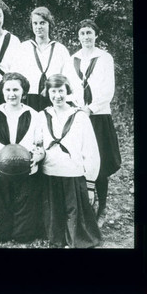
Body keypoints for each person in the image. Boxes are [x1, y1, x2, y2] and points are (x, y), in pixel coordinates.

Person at [64, 19, 122, 227]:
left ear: (96, 35)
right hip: (79, 115)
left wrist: (91, 108)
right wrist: (77, 107)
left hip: (98, 115)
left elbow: (108, 90)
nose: (86, 37)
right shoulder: (73, 59)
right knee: (81, 159)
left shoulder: (105, 58)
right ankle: (85, 205)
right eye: (82, 33)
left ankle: (103, 207)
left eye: (89, 33)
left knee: (101, 161)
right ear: (78, 37)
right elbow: (68, 88)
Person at [0, 72, 45, 242]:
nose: (12, 94)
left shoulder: (34, 115)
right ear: (2, 92)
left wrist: (36, 158)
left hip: (27, 170)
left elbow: (41, 147)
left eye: (16, 89)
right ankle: (2, 230)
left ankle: (23, 232)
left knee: (25, 233)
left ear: (24, 92)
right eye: (7, 89)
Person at [39, 74, 101, 248]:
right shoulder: (42, 116)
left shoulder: (80, 117)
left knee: (73, 212)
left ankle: (74, 239)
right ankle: (56, 237)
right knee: (54, 212)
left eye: (61, 91)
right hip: (50, 173)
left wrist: (90, 183)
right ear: (47, 93)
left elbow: (90, 151)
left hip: (73, 174)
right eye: (53, 91)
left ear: (68, 92)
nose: (57, 95)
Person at [13, 7, 71, 111]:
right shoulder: (23, 48)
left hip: (54, 98)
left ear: (49, 24)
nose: (38, 27)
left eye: (42, 23)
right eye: (35, 23)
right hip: (30, 98)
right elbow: (16, 76)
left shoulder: (60, 49)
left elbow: (67, 78)